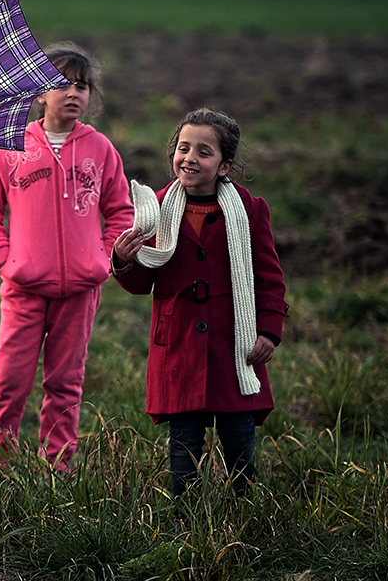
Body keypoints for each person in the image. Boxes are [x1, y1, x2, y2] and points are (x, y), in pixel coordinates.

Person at [0, 42, 134, 470]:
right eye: (63, 84)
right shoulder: (11, 148)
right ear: (40, 92)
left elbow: (120, 211)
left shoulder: (101, 149)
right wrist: (4, 260)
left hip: (80, 289)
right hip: (23, 288)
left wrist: (103, 257)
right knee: (9, 380)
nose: (74, 93)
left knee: (66, 381)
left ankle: (57, 465)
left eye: (82, 86)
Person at [112, 108, 289, 498]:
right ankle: (185, 514)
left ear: (224, 166)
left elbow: (269, 278)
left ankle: (243, 508)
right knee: (184, 442)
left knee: (239, 436)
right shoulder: (156, 208)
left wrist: (269, 331)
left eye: (203, 152)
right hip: (179, 346)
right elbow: (144, 283)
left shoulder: (250, 210)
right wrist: (124, 261)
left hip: (234, 346)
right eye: (183, 148)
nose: (190, 158)